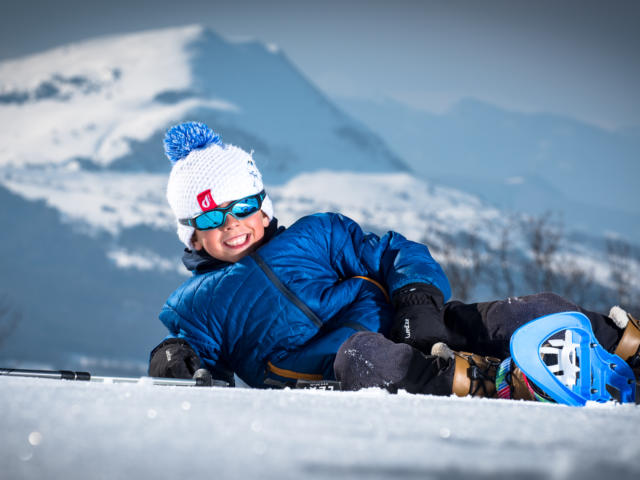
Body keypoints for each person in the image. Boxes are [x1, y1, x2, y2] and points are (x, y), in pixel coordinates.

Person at [149, 121, 640, 401]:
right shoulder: (199, 304)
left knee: (524, 312)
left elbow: (392, 252)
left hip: (420, 327)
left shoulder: (316, 234)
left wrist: (416, 302)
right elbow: (196, 358)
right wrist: (171, 358)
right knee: (363, 354)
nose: (233, 224)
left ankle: (622, 347)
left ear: (262, 204)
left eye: (242, 207)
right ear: (192, 233)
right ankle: (495, 384)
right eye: (213, 217)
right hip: (341, 371)